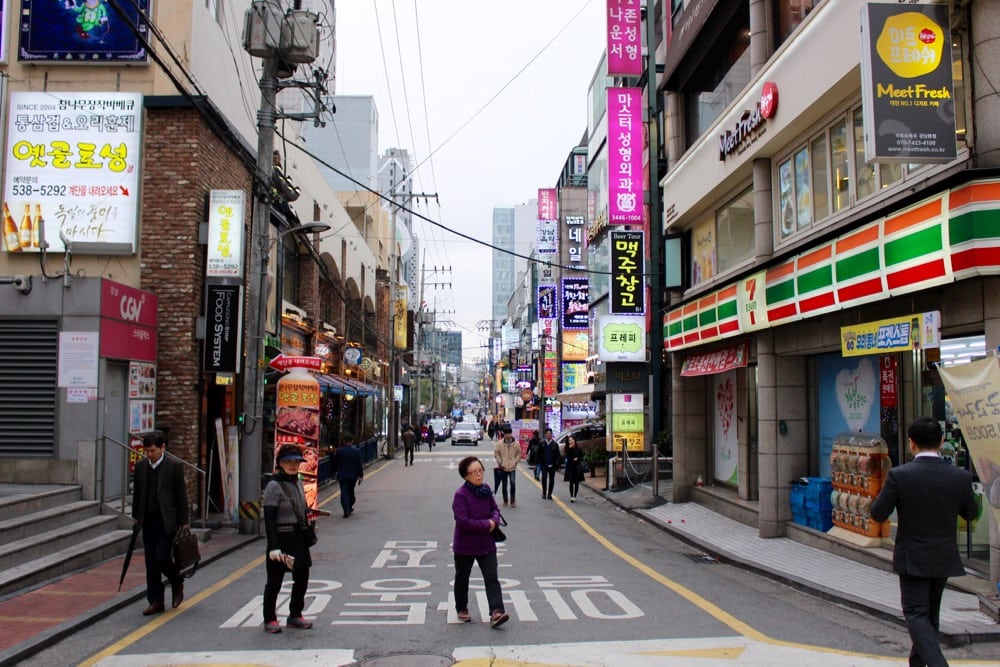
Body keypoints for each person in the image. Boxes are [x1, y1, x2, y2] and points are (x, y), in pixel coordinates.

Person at [871, 417, 977, 667]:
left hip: (912, 557)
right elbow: (971, 514)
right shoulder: (959, 477)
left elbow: (877, 513)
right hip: (943, 557)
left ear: (911, 444)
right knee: (930, 615)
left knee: (916, 614)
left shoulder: (900, 475)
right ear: (941, 442)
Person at [131, 430, 189, 616]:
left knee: (161, 557)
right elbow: (137, 494)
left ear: (162, 448)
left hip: (167, 521)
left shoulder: (173, 466)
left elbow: (181, 495)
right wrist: (135, 516)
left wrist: (184, 520)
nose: (149, 454)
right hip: (148, 521)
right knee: (150, 563)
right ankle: (156, 600)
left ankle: (176, 579)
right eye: (146, 450)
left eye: (153, 450)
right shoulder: (141, 467)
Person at [451, 456, 509, 628]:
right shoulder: (460, 495)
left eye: (480, 470)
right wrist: (488, 524)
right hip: (465, 545)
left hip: (486, 544)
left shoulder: (486, 489)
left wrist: (495, 520)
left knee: (492, 577)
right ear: (466, 476)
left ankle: (496, 612)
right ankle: (461, 608)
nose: (478, 475)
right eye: (474, 472)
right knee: (462, 578)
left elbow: (495, 509)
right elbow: (464, 522)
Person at [261, 447, 314, 634]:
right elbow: (269, 518)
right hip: (282, 538)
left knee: (302, 577)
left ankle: (295, 614)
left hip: (298, 537)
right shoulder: (273, 486)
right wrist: (273, 546)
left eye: (296, 462)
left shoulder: (297, 482)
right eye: (288, 461)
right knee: (275, 581)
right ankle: (269, 618)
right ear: (280, 463)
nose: (293, 465)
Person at [332, 434, 363, 517]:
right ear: (352, 441)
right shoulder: (356, 451)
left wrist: (334, 472)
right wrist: (361, 475)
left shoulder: (339, 451)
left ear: (344, 441)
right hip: (353, 476)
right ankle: (349, 506)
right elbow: (359, 464)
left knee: (344, 492)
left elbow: (335, 463)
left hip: (342, 475)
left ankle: (346, 509)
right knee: (351, 491)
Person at [493, 424, 522, 508]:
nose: (508, 435)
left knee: (513, 483)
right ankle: (505, 500)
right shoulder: (499, 444)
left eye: (509, 433)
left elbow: (519, 454)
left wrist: (515, 462)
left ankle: (512, 500)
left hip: (512, 467)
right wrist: (500, 462)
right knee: (504, 485)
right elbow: (496, 453)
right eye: (506, 434)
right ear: (504, 434)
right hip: (503, 467)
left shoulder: (516, 444)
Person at [538, 428, 562, 499]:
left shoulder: (555, 444)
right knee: (544, 477)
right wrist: (537, 463)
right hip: (544, 464)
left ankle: (550, 493)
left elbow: (558, 455)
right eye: (547, 433)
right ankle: (544, 492)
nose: (549, 435)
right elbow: (538, 454)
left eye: (550, 434)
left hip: (552, 464)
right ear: (545, 434)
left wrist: (558, 464)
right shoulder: (542, 443)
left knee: (552, 479)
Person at [563, 435, 585, 502]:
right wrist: (569, 448)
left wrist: (577, 459)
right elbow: (567, 457)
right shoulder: (567, 449)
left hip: (577, 467)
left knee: (576, 482)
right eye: (569, 440)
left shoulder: (579, 449)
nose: (571, 441)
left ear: (574, 441)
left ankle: (575, 496)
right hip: (570, 467)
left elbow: (582, 456)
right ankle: (571, 496)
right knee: (571, 481)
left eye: (572, 440)